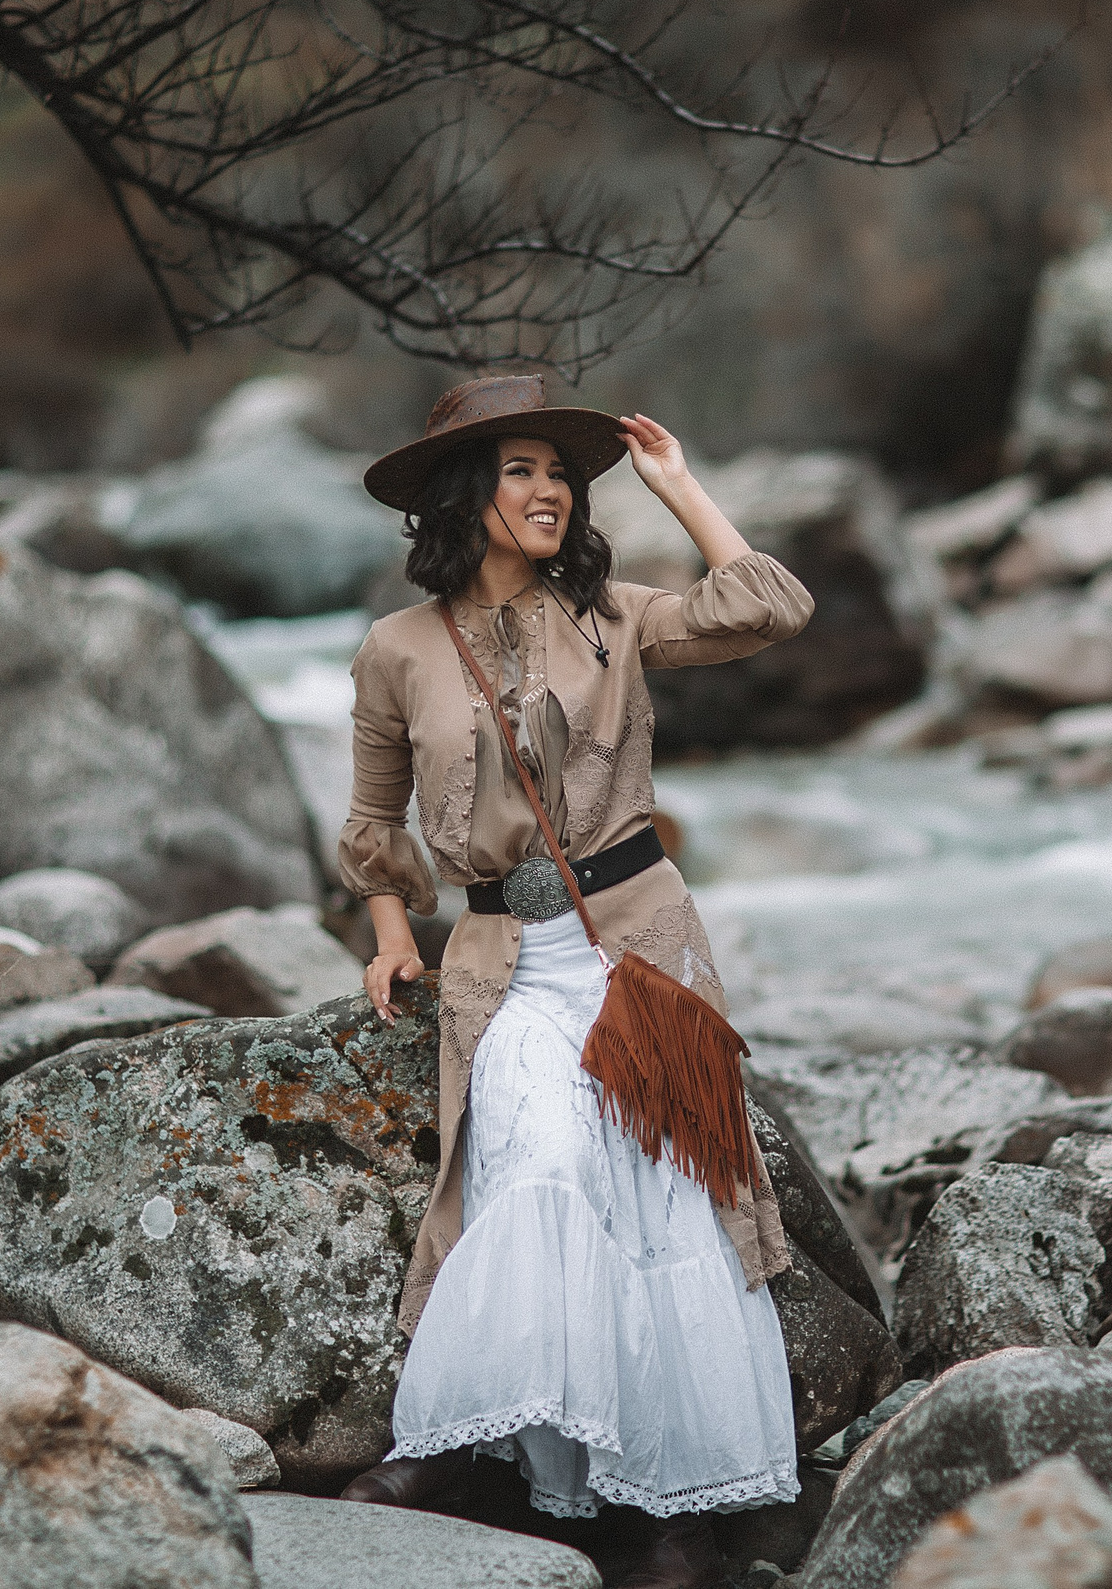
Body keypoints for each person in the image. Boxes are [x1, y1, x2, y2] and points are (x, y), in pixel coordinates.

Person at [333, 375, 812, 1589]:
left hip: (640, 953)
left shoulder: (612, 612)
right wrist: (393, 934)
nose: (548, 491)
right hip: (503, 966)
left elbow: (769, 607)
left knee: (666, 1204)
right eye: (520, 470)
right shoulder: (394, 652)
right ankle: (469, 1444)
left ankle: (668, 1515)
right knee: (537, 1167)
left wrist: (677, 485)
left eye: (560, 471)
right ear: (465, 494)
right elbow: (373, 820)